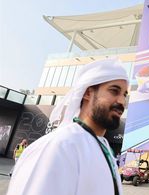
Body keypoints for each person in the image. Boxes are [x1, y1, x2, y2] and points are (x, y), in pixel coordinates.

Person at [7, 58, 128, 195]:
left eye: (125, 94)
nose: (122, 101)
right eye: (114, 91)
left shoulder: (103, 147)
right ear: (88, 93)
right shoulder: (60, 145)